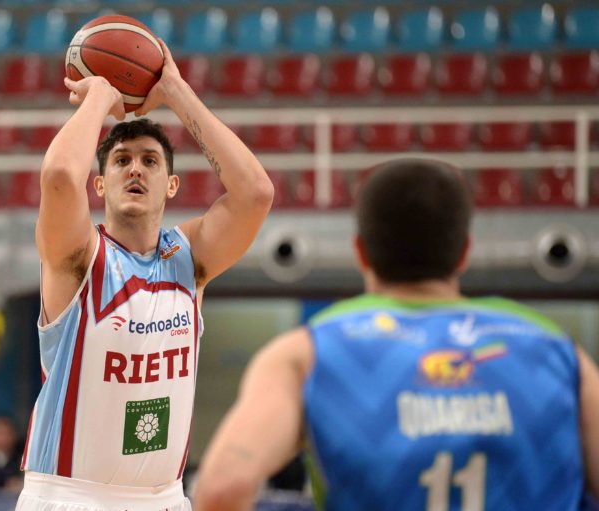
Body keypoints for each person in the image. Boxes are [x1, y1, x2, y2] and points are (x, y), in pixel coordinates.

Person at [194, 158, 599, 510]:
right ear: (464, 252)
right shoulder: (558, 350)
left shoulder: (306, 352)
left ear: (361, 252)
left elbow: (222, 489)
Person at [15, 37, 274, 511]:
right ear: (99, 184)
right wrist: (99, 98)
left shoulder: (189, 258)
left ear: (171, 185)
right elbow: (59, 177)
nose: (135, 169)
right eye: (121, 160)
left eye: (150, 161)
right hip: (70, 497)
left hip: (164, 499)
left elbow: (256, 193)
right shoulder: (78, 255)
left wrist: (174, 90)